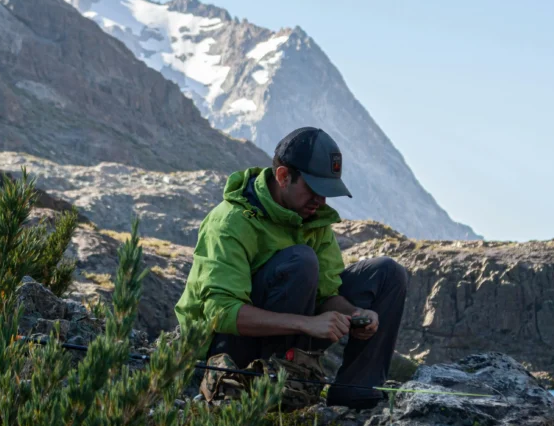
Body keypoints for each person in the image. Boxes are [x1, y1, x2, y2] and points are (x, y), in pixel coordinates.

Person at [174, 126, 408, 409]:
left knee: (386, 273)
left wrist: (355, 314)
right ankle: (275, 386)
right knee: (301, 260)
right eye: (314, 190)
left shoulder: (313, 218)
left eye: (327, 192)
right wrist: (308, 324)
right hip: (230, 347)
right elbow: (221, 314)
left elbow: (326, 295)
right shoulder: (230, 222)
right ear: (283, 176)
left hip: (290, 336)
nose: (321, 201)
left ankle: (356, 392)